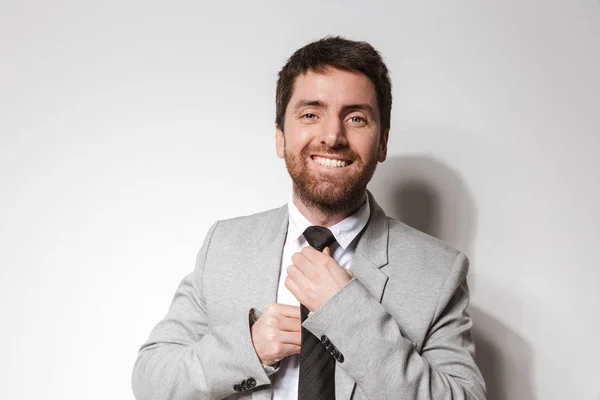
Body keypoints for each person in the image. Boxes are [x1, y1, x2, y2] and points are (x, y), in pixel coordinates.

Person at [132, 36, 486, 400]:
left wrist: (346, 313)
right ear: (280, 138)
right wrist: (247, 349)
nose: (332, 136)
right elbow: (151, 382)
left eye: (356, 118)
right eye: (310, 114)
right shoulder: (224, 246)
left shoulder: (438, 272)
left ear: (382, 143)